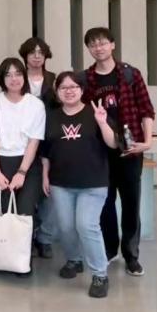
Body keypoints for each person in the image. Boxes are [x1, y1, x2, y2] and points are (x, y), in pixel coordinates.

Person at [81, 27, 155, 277]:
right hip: (99, 151)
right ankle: (109, 248)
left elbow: (146, 109)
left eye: (102, 43)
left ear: (112, 45)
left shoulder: (130, 74)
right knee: (104, 202)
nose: (98, 48)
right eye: (93, 44)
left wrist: (147, 141)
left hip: (130, 149)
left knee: (131, 202)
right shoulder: (86, 79)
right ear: (89, 49)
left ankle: (131, 254)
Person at [41, 71, 117, 298]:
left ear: (82, 90)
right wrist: (45, 175)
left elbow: (113, 143)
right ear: (57, 92)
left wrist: (103, 123)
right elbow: (45, 151)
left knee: (86, 225)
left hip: (93, 183)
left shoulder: (95, 113)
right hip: (60, 183)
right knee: (65, 227)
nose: (69, 91)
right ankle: (74, 260)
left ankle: (100, 274)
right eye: (63, 87)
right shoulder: (51, 117)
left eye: (74, 87)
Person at [0, 58, 46, 250]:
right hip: (1, 162)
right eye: (8, 75)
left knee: (25, 213)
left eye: (18, 74)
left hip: (28, 164)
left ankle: (24, 259)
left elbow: (34, 141)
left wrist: (22, 172)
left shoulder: (36, 104)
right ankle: (7, 257)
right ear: (2, 79)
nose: (13, 79)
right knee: (6, 213)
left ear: (24, 76)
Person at [18, 36, 57, 259]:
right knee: (26, 191)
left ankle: (44, 238)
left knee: (49, 192)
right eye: (32, 52)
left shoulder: (53, 79)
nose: (36, 56)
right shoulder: (17, 77)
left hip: (49, 141)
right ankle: (26, 237)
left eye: (41, 52)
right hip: (22, 142)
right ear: (25, 55)